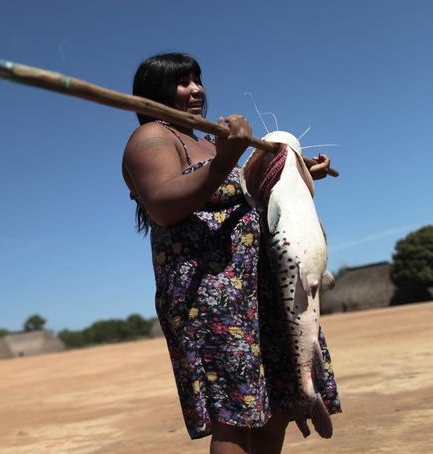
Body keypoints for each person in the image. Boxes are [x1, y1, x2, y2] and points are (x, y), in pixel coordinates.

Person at [121, 53, 341, 454]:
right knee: (235, 415)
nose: (196, 90)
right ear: (155, 91)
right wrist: (225, 159)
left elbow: (251, 190)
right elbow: (163, 204)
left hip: (258, 288)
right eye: (182, 82)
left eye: (197, 80)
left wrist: (296, 169)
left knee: (273, 405)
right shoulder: (152, 136)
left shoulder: (206, 141)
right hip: (209, 297)